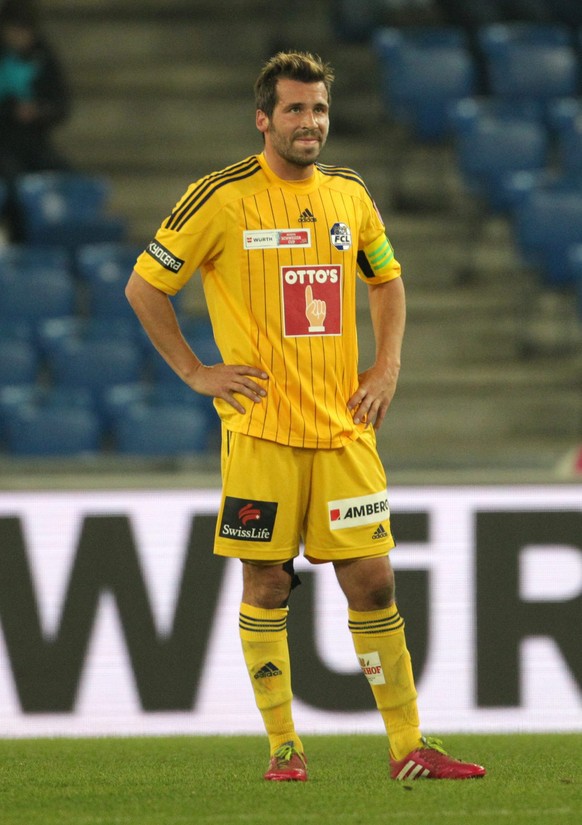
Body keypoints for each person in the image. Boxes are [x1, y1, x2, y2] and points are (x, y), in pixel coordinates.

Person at [125, 51, 486, 783]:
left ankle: (408, 744)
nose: (309, 122)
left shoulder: (350, 193)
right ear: (263, 118)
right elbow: (144, 286)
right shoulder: (219, 196)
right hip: (260, 431)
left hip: (344, 429)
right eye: (294, 109)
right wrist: (196, 371)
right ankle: (285, 746)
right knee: (265, 584)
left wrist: (386, 367)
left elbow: (387, 277)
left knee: (375, 582)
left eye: (318, 108)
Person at [0, 0, 70, 238]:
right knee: (14, 186)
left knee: (68, 179)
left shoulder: (44, 57)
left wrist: (39, 111)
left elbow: (62, 106)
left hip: (34, 144)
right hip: (4, 146)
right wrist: (11, 111)